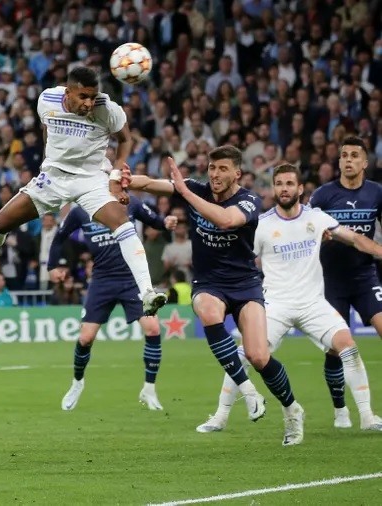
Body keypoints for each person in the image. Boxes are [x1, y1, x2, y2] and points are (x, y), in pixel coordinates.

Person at [0, 66, 167, 318]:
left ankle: (147, 292)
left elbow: (125, 140)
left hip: (90, 179)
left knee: (122, 225)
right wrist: (47, 158)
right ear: (68, 92)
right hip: (53, 178)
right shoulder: (47, 99)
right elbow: (46, 126)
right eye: (83, 96)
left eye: (93, 96)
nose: (89, 102)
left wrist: (115, 174)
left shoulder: (108, 109)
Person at [124, 146, 304, 446]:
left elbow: (226, 220)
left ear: (237, 173)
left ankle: (292, 410)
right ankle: (248, 392)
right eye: (211, 168)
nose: (215, 174)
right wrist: (124, 178)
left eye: (222, 169)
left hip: (245, 284)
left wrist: (185, 193)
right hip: (209, 283)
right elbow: (147, 184)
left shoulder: (249, 200)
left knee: (259, 356)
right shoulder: (195, 188)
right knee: (208, 310)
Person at [196, 163, 382, 435]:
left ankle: (367, 416)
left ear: (300, 188)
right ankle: (220, 417)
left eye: (289, 184)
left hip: (313, 303)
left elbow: (354, 239)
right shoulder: (261, 224)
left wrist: (379, 250)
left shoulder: (317, 218)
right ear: (274, 189)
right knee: (246, 354)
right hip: (275, 304)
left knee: (348, 346)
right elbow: (242, 258)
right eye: (279, 184)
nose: (284, 189)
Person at [49, 198, 177, 411]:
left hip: (132, 278)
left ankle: (149, 389)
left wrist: (167, 222)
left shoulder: (131, 204)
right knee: (86, 337)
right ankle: (77, 382)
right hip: (102, 280)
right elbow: (60, 236)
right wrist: (52, 266)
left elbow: (154, 221)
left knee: (153, 328)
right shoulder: (81, 211)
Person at [309, 136, 382, 428]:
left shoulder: (377, 193)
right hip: (331, 281)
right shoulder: (323, 195)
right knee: (334, 349)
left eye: (354, 155)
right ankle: (340, 409)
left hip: (365, 277)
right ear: (338, 161)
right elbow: (306, 229)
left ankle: (365, 413)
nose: (348, 160)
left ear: (365, 162)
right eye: (343, 155)